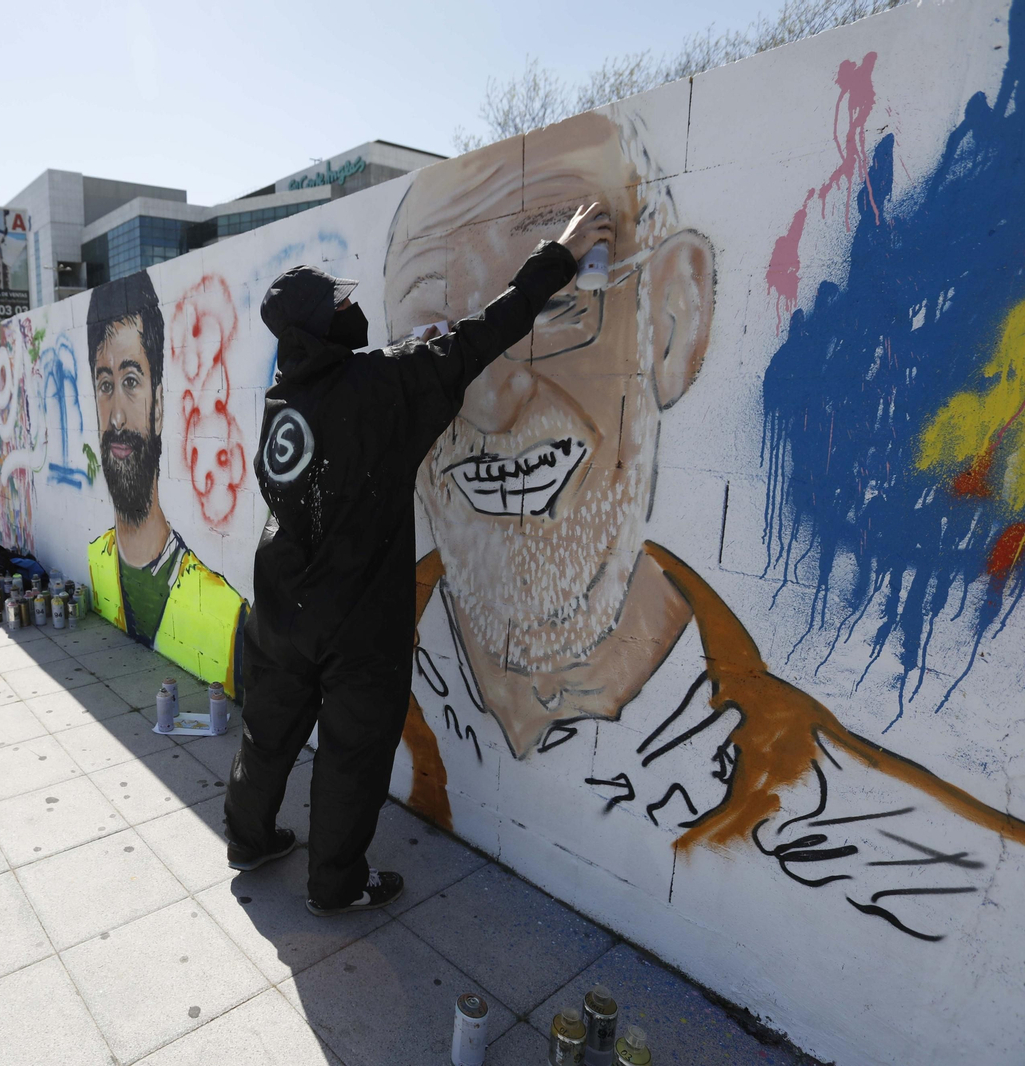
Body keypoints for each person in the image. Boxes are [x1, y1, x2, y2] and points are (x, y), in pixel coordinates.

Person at [390, 112, 1025, 944]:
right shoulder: (362, 665)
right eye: (431, 342)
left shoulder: (905, 857)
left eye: (562, 305)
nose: (489, 396)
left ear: (673, 320)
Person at [222, 198, 611, 916]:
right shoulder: (379, 386)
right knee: (353, 751)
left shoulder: (284, 402)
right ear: (320, 326)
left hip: (281, 605)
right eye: (339, 303)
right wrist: (556, 256)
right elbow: (478, 338)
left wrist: (405, 362)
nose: (352, 306)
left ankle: (247, 840)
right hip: (356, 618)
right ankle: (336, 886)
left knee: (268, 731)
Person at [83, 270, 247, 695]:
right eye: (105, 385)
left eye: (131, 382)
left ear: (158, 405)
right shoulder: (93, 563)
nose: (117, 416)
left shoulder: (230, 616)